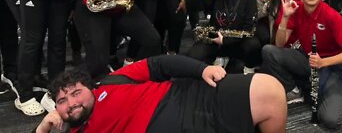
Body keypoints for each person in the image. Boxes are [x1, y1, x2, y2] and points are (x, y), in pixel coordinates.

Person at [35, 55, 287, 133]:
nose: (71, 103)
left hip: (188, 96)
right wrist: (43, 127)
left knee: (270, 89)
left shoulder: (112, 82)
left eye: (76, 93)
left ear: (91, 88)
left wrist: (202, 69)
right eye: (62, 101)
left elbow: (158, 65)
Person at [261, 0, 342, 129]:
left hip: (332, 66)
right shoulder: (296, 8)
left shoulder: (332, 15)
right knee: (269, 51)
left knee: (330, 120)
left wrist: (323, 62)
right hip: (309, 59)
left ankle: (339, 82)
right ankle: (295, 90)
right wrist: (285, 18)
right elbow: (280, 44)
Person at [188, 0, 261, 75]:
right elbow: (192, 7)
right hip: (216, 38)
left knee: (253, 45)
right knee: (194, 55)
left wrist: (225, 41)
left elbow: (248, 27)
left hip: (237, 40)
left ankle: (247, 67)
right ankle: (222, 56)